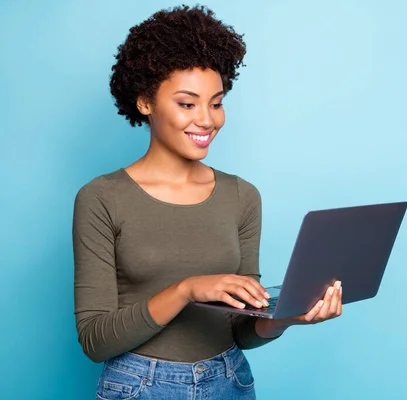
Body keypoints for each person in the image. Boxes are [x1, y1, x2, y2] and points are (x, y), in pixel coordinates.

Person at [72, 5, 342, 399]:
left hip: (229, 380)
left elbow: (243, 330)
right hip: (139, 386)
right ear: (145, 102)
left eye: (216, 102)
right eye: (187, 104)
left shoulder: (242, 196)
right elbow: (95, 341)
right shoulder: (101, 198)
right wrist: (186, 290)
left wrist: (287, 318)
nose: (207, 120)